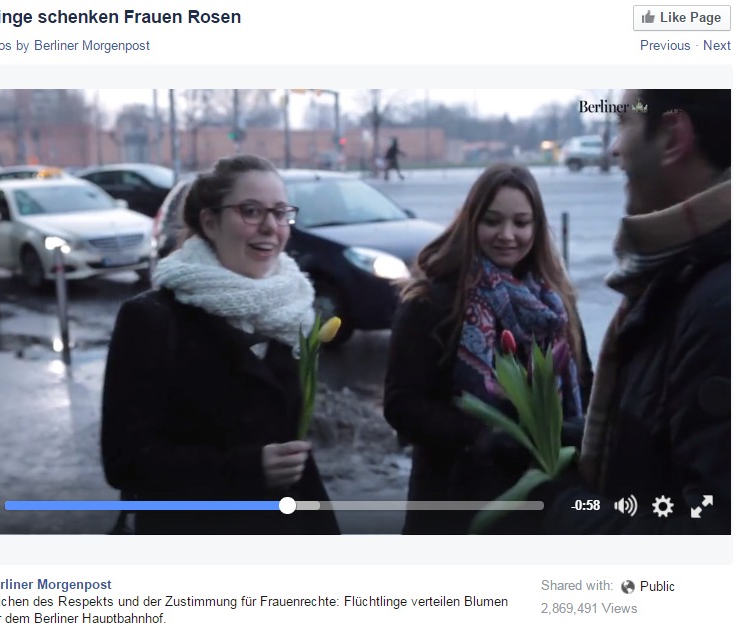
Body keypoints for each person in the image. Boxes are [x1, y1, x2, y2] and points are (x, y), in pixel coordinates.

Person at [481, 89, 731, 535]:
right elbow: (664, 441)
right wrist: (560, 437)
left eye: (622, 124)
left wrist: (556, 502)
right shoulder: (685, 270)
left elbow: (706, 531)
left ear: (673, 136)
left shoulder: (718, 302)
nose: (614, 148)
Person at [101, 154, 340, 535]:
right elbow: (125, 463)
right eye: (250, 211)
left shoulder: (293, 309)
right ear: (210, 222)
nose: (270, 227)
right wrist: (249, 468)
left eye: (280, 213)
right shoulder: (152, 319)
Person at [384, 162, 594, 535]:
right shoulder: (432, 301)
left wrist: (573, 431)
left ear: (537, 227)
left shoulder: (557, 303)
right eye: (493, 221)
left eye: (521, 223)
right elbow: (402, 404)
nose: (507, 235)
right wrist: (481, 436)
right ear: (471, 221)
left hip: (547, 501)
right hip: (455, 500)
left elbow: (587, 384)